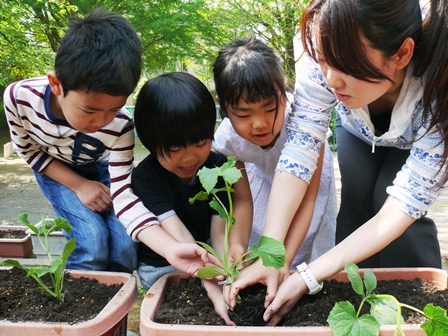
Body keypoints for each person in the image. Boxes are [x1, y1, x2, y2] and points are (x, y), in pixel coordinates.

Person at [224, 0, 448, 325]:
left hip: (416, 133)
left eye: (345, 65)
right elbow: (300, 151)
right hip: (357, 126)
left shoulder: (439, 87)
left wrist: (307, 277)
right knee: (357, 204)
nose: (331, 80)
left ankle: (415, 309)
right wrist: (271, 255)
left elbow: (402, 205)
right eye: (323, 61)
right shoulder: (327, 62)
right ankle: (359, 307)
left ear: (401, 54)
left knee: (394, 216)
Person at [3, 10, 140, 272]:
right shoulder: (19, 98)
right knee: (91, 241)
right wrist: (79, 185)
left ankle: (115, 305)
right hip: (53, 169)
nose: (101, 122)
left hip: (101, 170)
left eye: (114, 109)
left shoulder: (121, 124)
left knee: (126, 245)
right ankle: (83, 302)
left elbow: (122, 184)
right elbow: (28, 151)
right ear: (56, 84)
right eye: (89, 110)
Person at [132, 72, 252, 325]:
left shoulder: (220, 167)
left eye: (200, 142)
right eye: (174, 149)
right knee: (182, 300)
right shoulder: (145, 177)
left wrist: (224, 273)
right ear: (150, 142)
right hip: (164, 265)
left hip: (206, 251)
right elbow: (179, 236)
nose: (189, 159)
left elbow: (220, 230)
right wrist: (210, 284)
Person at [212, 37, 337, 276]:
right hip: (261, 187)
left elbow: (308, 201)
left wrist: (283, 261)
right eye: (243, 114)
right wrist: (237, 244)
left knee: (312, 247)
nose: (259, 124)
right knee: (262, 239)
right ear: (224, 109)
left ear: (284, 94)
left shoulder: (306, 123)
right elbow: (242, 201)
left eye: (270, 109)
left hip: (309, 190)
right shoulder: (228, 139)